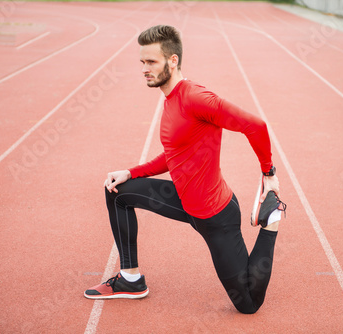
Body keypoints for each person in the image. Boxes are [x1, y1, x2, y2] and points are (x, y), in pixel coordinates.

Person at [84, 25, 286, 314]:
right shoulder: (170, 100)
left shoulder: (196, 98)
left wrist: (269, 174)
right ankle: (130, 279)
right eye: (142, 62)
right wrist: (131, 172)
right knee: (117, 192)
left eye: (151, 62)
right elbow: (174, 154)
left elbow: (256, 125)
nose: (144, 68)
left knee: (249, 305)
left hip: (216, 216)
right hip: (184, 201)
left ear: (173, 60)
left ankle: (273, 219)